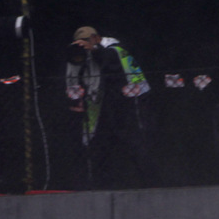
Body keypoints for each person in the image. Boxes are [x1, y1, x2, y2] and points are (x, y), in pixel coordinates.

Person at [64, 25, 155, 189]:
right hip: (104, 110)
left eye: (86, 41)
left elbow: (109, 61)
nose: (83, 45)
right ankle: (100, 186)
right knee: (99, 150)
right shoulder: (85, 56)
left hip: (130, 107)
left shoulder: (114, 50)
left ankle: (151, 185)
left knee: (136, 148)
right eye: (79, 42)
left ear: (96, 38)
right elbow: (76, 82)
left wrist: (94, 50)